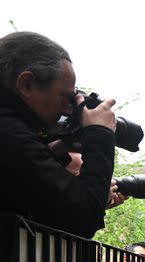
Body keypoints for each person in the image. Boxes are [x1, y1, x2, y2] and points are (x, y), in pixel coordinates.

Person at [0, 31, 118, 237]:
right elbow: (83, 217)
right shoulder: (9, 133)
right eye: (64, 97)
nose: (66, 110)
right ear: (27, 84)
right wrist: (100, 136)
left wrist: (53, 150)